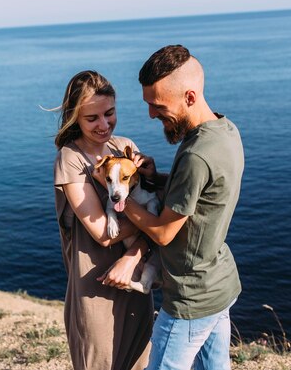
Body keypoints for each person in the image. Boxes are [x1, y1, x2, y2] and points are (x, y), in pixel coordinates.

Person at [122, 45, 244, 370]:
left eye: (157, 105)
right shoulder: (224, 131)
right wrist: (157, 177)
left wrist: (121, 201)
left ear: (189, 97)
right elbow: (202, 190)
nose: (151, 114)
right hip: (219, 283)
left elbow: (162, 233)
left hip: (192, 297)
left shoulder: (195, 155)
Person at [53, 70, 154, 370]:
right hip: (94, 283)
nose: (104, 124)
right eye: (92, 118)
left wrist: (151, 176)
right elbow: (103, 233)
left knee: (141, 363)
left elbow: (154, 205)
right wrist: (153, 217)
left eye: (109, 113)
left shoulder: (124, 146)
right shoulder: (70, 159)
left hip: (133, 275)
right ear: (75, 118)